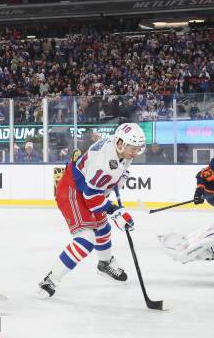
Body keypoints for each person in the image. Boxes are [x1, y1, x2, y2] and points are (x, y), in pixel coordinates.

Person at [38, 123, 146, 298]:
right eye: (133, 148)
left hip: (88, 189)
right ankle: (49, 281)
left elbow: (114, 176)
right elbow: (91, 198)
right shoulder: (103, 161)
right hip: (73, 190)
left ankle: (104, 264)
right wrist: (114, 211)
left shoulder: (121, 147)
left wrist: (118, 198)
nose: (135, 152)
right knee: (86, 239)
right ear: (120, 143)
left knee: (103, 229)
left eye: (138, 148)